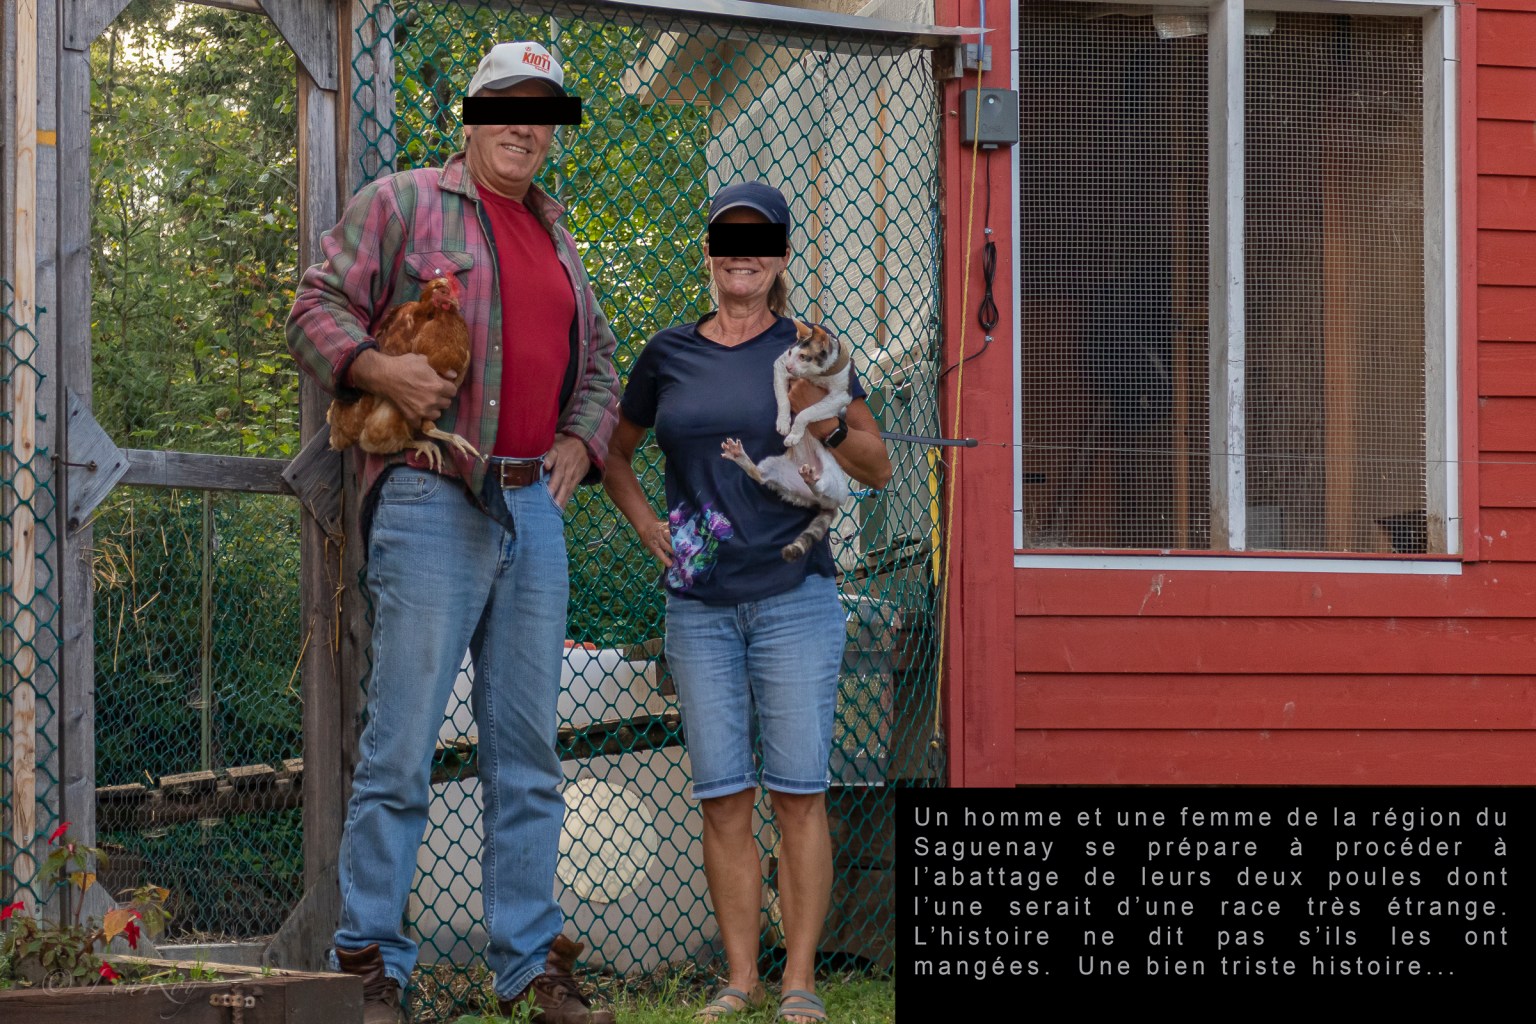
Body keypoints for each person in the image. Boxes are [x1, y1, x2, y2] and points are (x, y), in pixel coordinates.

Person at [286, 40, 619, 1024]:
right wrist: (378, 369)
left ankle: (532, 969)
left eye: (542, 111)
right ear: (471, 119)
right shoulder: (402, 203)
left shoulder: (559, 237)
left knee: (529, 756)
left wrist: (581, 442)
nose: (524, 125)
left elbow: (600, 363)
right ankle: (369, 965)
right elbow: (314, 304)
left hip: (532, 508)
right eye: (506, 106)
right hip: (432, 495)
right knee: (401, 746)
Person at [602, 182, 892, 1024]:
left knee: (798, 793)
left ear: (781, 257)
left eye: (759, 242)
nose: (743, 255)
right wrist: (648, 525)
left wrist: (822, 419)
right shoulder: (667, 354)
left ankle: (799, 980)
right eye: (728, 240)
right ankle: (741, 979)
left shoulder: (811, 350)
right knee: (723, 796)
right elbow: (614, 452)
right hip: (699, 605)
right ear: (709, 253)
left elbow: (878, 467)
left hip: (795, 597)